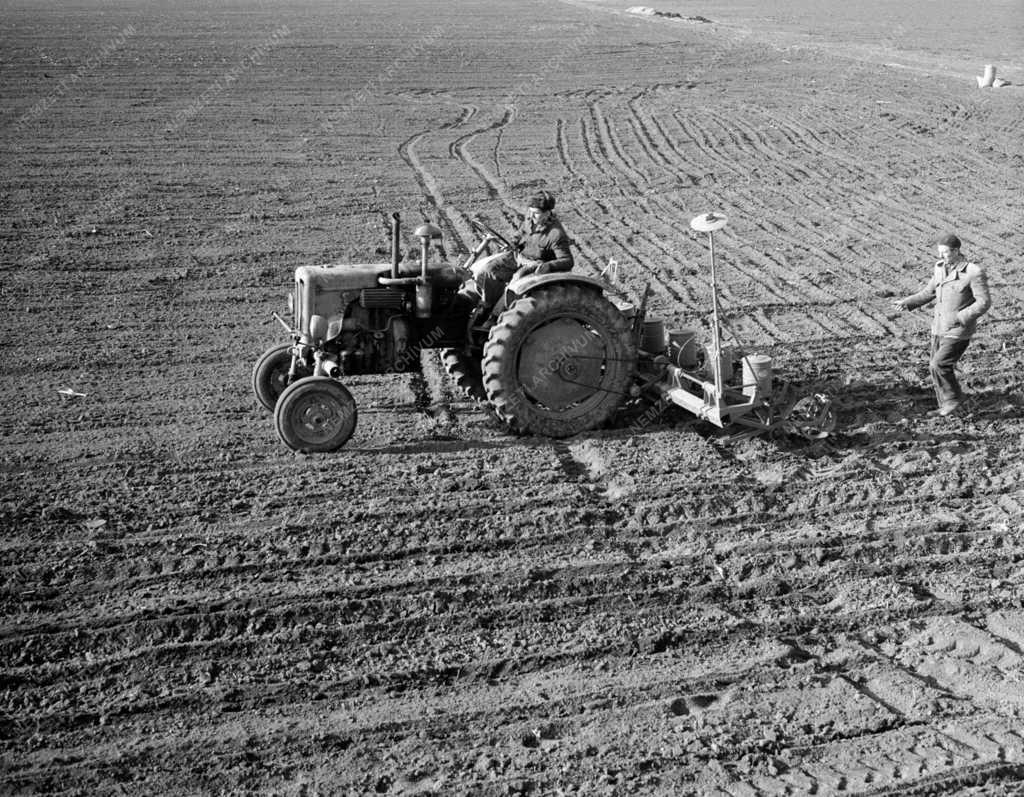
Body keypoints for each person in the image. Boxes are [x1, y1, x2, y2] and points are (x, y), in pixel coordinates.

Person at [893, 233, 991, 416]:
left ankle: (953, 401)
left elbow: (984, 302)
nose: (941, 256)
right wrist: (908, 302)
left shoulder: (973, 272)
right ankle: (947, 408)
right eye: (940, 252)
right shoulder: (939, 268)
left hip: (959, 329)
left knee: (939, 365)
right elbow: (929, 292)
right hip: (939, 327)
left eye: (945, 252)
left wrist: (960, 317)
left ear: (956, 251)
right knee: (934, 366)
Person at [458, 190, 575, 312]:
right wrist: (513, 243)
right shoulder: (530, 218)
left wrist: (549, 265)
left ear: (547, 213)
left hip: (535, 264)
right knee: (487, 271)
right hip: (518, 256)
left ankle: (497, 314)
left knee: (514, 284)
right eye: (530, 211)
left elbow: (567, 261)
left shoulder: (556, 234)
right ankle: (488, 304)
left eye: (536, 213)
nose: (532, 215)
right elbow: (520, 233)